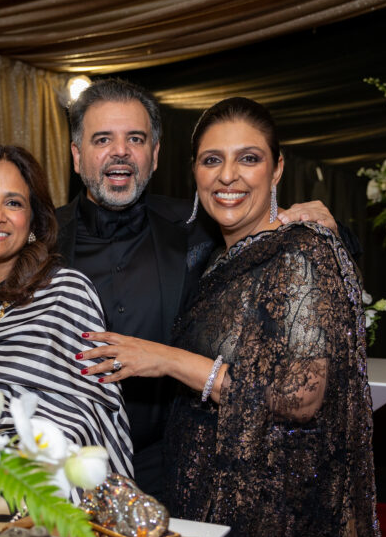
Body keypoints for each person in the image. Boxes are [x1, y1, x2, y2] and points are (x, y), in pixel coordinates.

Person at [79, 97, 386, 537]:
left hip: (264, 519)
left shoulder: (291, 248)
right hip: (182, 496)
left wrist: (169, 361)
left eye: (247, 159)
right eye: (211, 161)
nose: (227, 177)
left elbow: (304, 394)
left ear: (277, 169)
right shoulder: (205, 244)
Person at [57, 78, 351, 503]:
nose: (120, 151)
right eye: (103, 139)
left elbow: (275, 241)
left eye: (135, 139)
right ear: (76, 154)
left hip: (170, 474)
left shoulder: (199, 228)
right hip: (63, 472)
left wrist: (329, 221)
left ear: (154, 155)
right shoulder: (39, 238)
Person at [0, 144, 133, 480]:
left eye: (13, 203)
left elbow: (89, 416)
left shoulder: (67, 292)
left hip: (39, 498)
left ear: (32, 221)